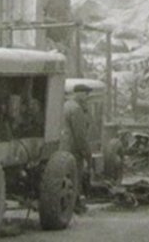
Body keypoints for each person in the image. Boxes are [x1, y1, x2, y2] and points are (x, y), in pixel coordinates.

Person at [61, 83, 94, 214]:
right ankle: (75, 205)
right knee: (76, 177)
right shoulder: (76, 109)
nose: (87, 97)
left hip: (62, 147)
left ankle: (68, 204)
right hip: (73, 149)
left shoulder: (65, 105)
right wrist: (86, 152)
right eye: (86, 94)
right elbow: (80, 135)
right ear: (79, 94)